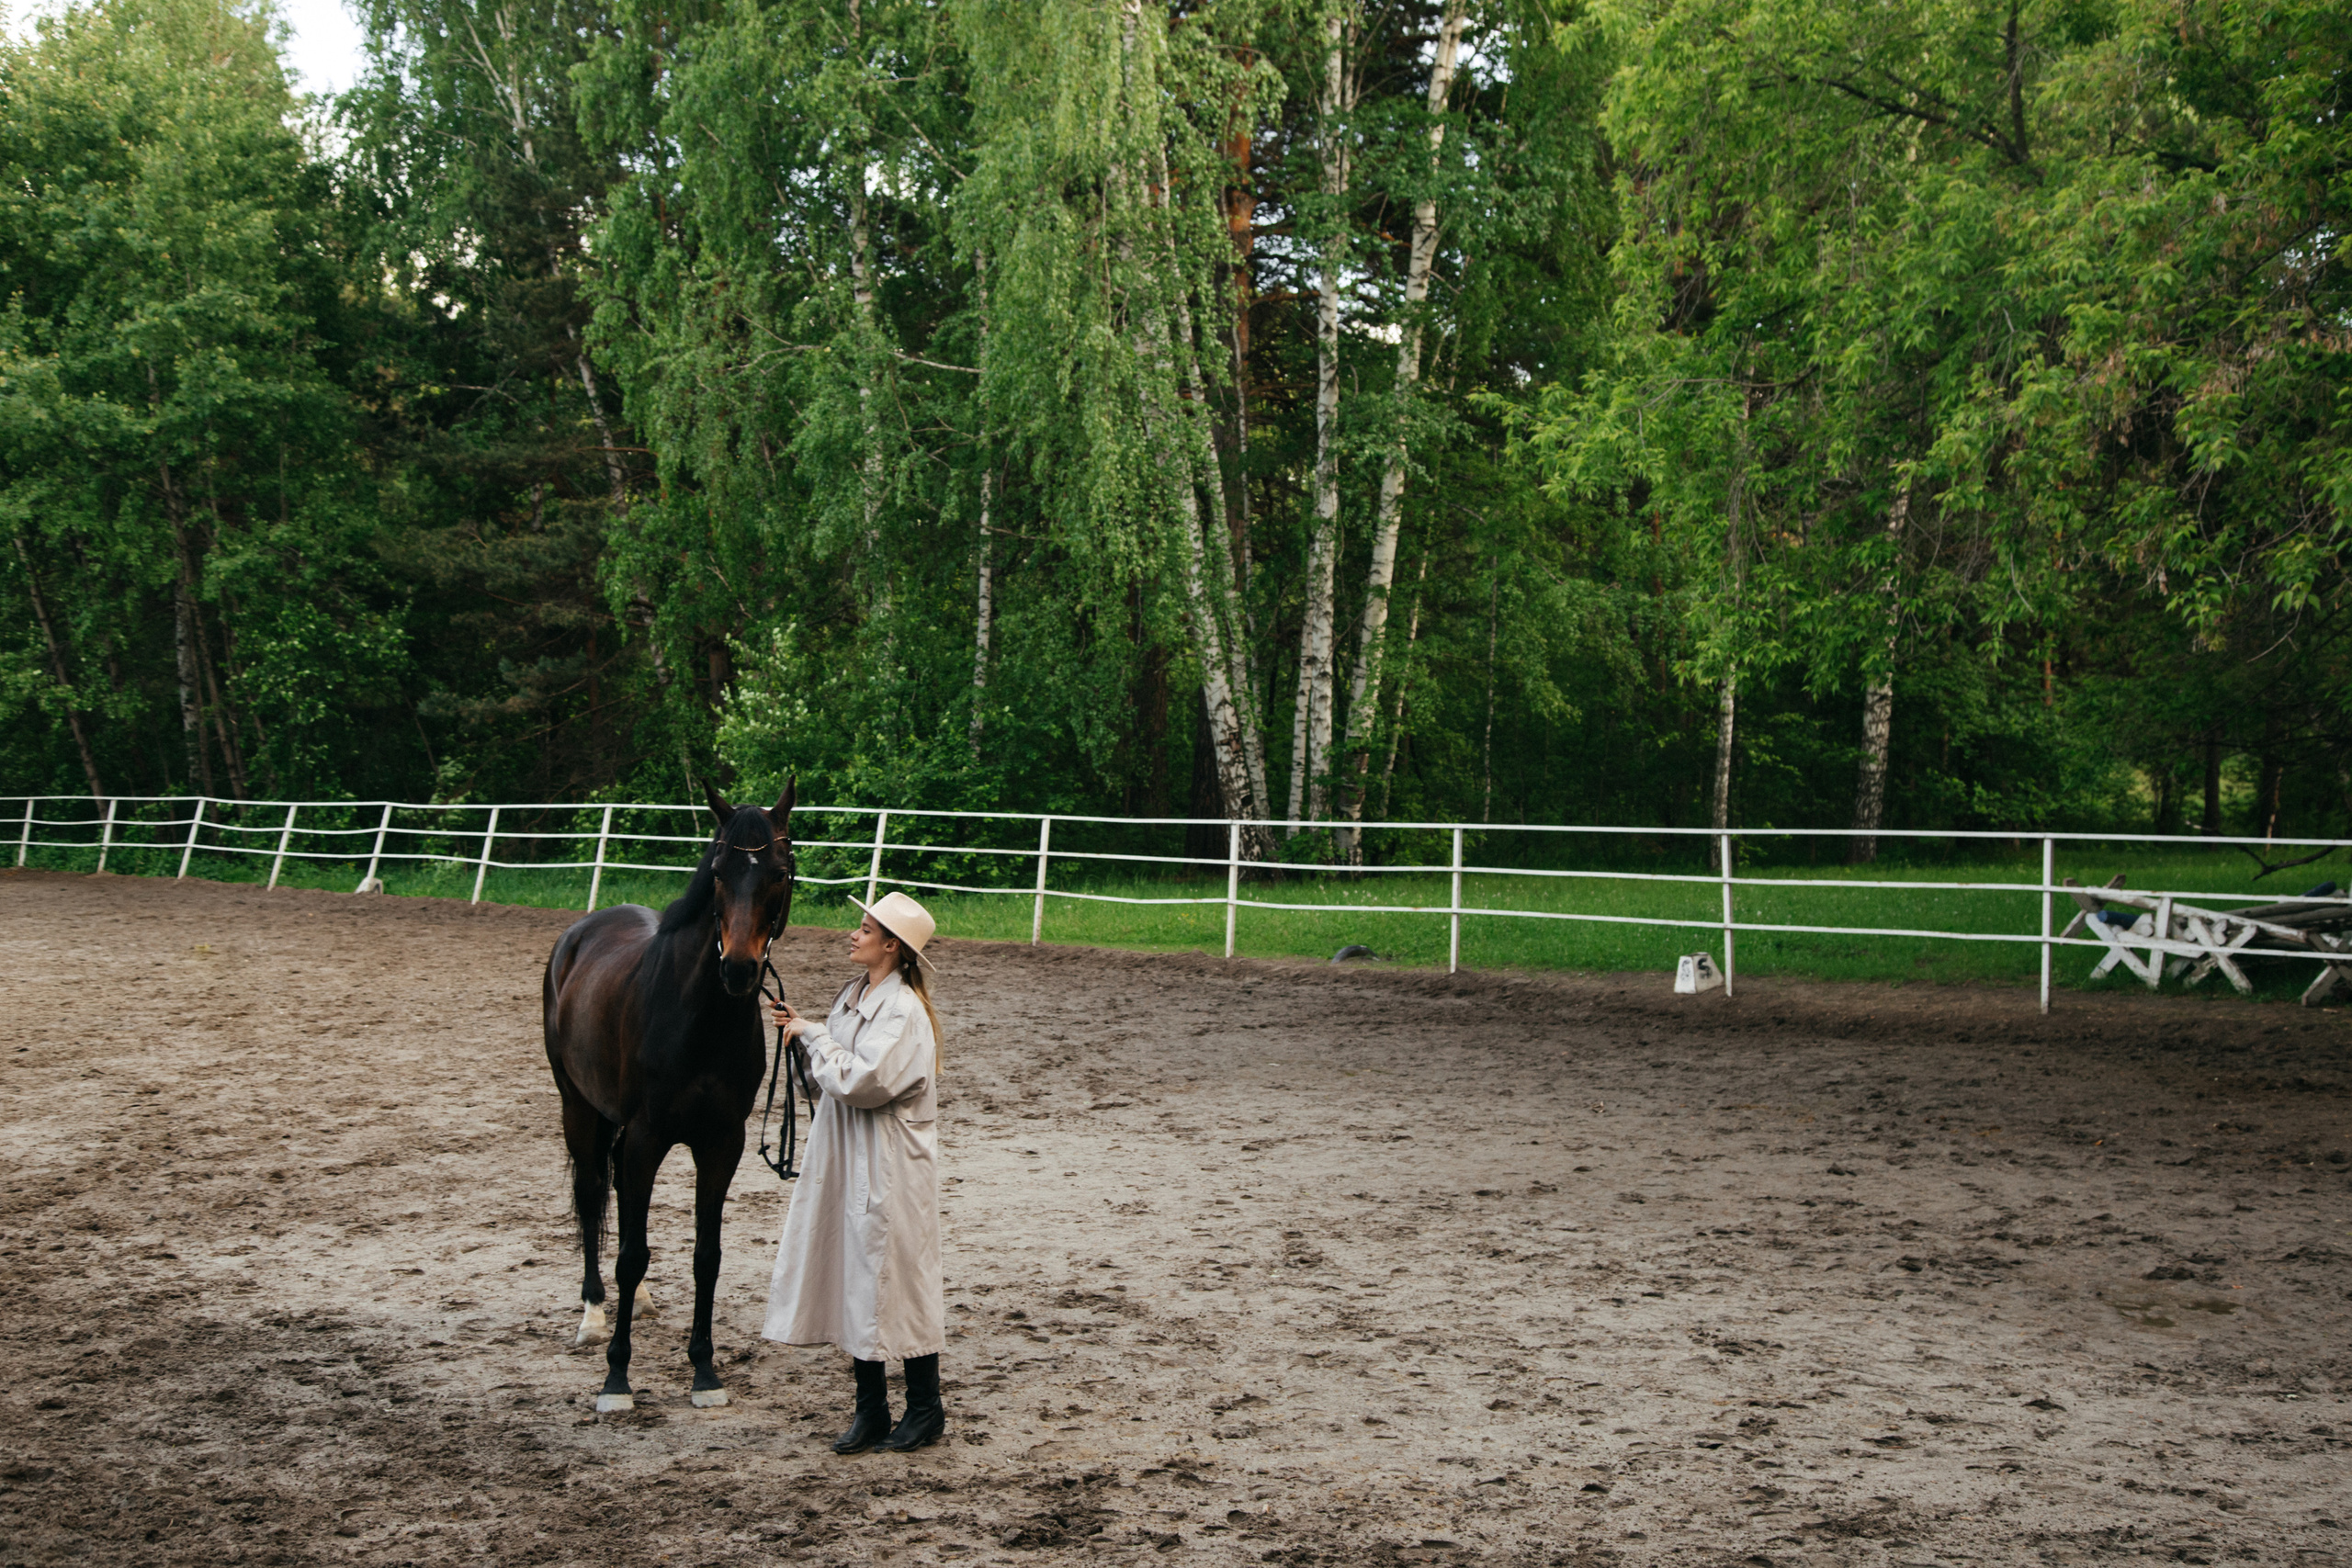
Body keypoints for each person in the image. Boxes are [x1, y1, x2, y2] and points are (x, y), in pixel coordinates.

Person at [763, 890, 947, 1453]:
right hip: (848, 1157)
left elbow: (864, 1084)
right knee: (852, 1274)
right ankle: (870, 1411)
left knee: (902, 1281)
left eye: (865, 929)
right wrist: (802, 1042)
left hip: (889, 1164)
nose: (854, 934)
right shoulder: (852, 997)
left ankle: (925, 1408)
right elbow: (825, 1081)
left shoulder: (905, 1012)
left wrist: (815, 1036)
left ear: (891, 945)